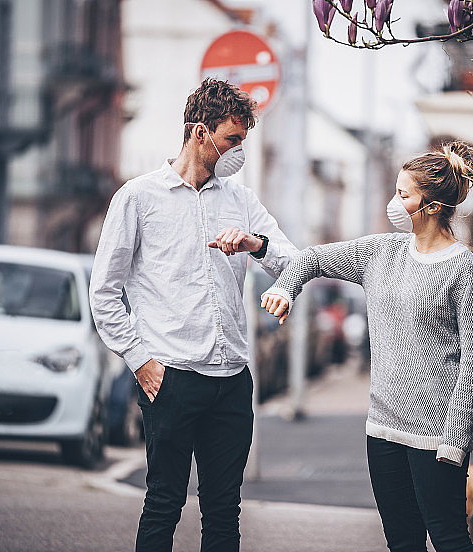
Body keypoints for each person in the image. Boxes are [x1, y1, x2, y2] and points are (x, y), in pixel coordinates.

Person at [89, 78, 297, 552]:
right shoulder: (138, 198)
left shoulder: (241, 201)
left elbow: (292, 259)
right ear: (200, 133)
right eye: (232, 140)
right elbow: (104, 291)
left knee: (224, 511)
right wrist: (140, 360)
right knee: (163, 502)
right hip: (171, 378)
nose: (238, 151)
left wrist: (253, 243)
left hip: (231, 380)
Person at [261, 141, 473, 552]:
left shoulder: (466, 270)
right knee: (402, 543)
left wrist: (455, 440)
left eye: (404, 195)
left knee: (450, 538)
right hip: (382, 431)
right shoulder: (379, 252)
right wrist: (285, 288)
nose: (394, 202)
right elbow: (311, 258)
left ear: (433, 206)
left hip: (435, 437)